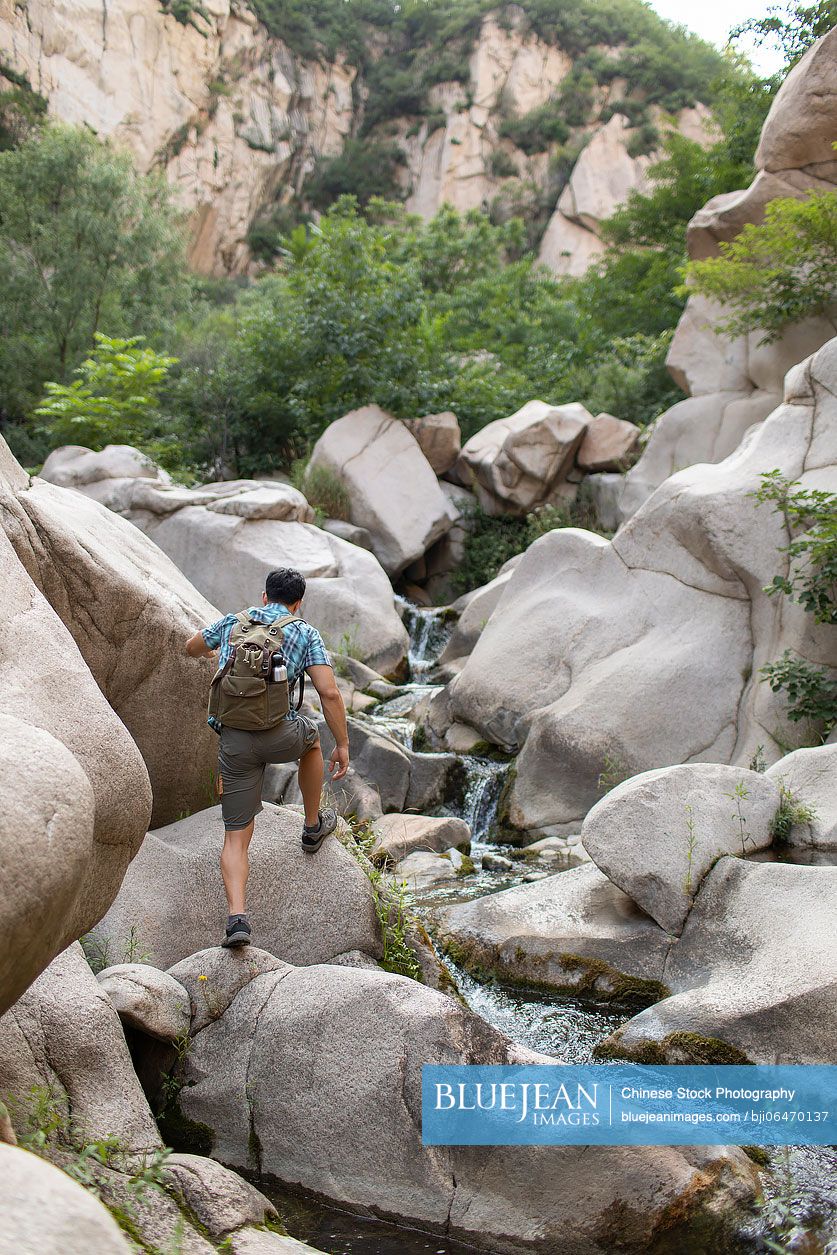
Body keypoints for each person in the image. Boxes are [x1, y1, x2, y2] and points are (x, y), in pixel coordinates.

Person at [185, 567, 350, 949]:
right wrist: (342, 743)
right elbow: (328, 693)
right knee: (311, 741)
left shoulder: (233, 623)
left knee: (236, 836)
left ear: (264, 597)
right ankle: (312, 826)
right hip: (280, 735)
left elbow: (191, 646)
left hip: (235, 742)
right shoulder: (304, 632)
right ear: (298, 604)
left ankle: (237, 919)